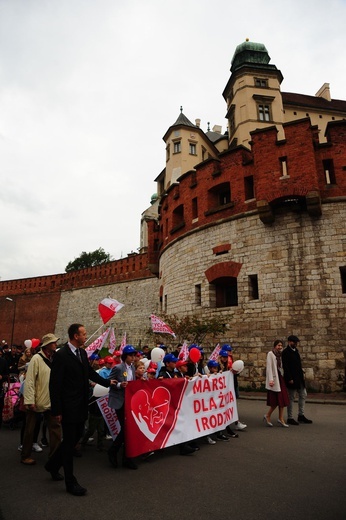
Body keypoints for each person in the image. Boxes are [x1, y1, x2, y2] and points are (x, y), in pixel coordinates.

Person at [48, 324, 114, 496]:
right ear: (75, 336)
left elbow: (90, 373)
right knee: (70, 443)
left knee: (75, 437)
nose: (86, 337)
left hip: (81, 404)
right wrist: (56, 411)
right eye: (84, 334)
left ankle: (52, 464)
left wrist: (108, 383)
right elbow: (54, 385)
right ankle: (70, 482)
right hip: (68, 407)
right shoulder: (61, 355)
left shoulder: (83, 353)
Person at [20, 333, 62, 466]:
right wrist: (29, 400)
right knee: (30, 429)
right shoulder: (36, 359)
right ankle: (25, 455)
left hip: (51, 400)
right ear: (48, 345)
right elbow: (30, 381)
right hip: (37, 400)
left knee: (55, 429)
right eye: (54, 342)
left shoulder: (55, 359)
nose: (56, 344)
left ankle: (54, 456)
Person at [107, 345, 138, 469]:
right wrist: (120, 385)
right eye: (131, 355)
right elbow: (110, 381)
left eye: (134, 355)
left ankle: (125, 457)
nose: (133, 358)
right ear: (125, 356)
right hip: (119, 401)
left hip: (129, 402)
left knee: (129, 429)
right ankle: (114, 452)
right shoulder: (118, 368)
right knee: (126, 429)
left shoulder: (133, 368)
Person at [282, 335, 313, 425]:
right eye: (294, 342)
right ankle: (290, 417)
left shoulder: (296, 352)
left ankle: (301, 415)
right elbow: (286, 367)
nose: (295, 344)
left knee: (303, 394)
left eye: (296, 342)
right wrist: (289, 378)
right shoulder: (286, 352)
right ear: (289, 342)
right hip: (291, 379)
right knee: (291, 398)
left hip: (299, 378)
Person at [264, 340, 290, 427]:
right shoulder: (270, 354)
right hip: (275, 379)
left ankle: (281, 418)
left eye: (281, 345)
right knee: (275, 401)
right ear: (275, 346)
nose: (280, 347)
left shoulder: (280, 355)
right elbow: (269, 367)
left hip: (280, 377)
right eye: (278, 345)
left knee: (282, 399)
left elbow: (281, 366)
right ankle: (268, 415)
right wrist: (271, 380)